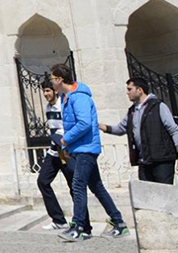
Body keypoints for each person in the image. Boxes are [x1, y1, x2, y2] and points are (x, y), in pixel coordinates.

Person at [49, 63, 129, 243]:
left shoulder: (79, 98)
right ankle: (119, 223)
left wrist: (66, 140)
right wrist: (69, 148)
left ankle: (79, 227)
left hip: (87, 149)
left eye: (52, 79)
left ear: (60, 79)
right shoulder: (66, 98)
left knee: (78, 185)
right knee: (96, 186)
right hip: (80, 148)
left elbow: (84, 123)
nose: (51, 82)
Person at [99, 75, 178, 185]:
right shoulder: (132, 111)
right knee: (146, 195)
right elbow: (120, 129)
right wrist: (98, 125)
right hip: (144, 161)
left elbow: (174, 130)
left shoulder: (158, 106)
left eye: (130, 89)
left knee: (164, 195)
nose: (127, 93)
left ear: (140, 90)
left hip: (162, 160)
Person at [36, 81, 74, 231]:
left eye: (48, 91)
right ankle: (58, 219)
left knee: (74, 187)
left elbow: (67, 127)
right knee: (43, 181)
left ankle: (81, 221)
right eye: (44, 91)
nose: (46, 94)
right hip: (53, 152)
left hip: (65, 151)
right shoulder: (48, 107)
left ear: (55, 91)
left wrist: (63, 141)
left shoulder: (63, 105)